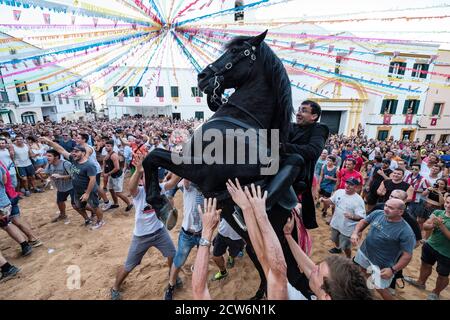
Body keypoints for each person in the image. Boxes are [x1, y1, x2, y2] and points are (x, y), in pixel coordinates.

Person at [110, 153, 176, 300]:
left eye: (151, 176)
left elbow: (172, 183)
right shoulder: (139, 192)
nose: (149, 179)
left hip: (160, 232)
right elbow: (130, 187)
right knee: (129, 265)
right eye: (146, 176)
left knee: (172, 255)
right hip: (141, 236)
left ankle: (172, 277)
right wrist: (139, 170)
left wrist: (180, 167)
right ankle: (115, 287)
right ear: (142, 179)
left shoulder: (159, 187)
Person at [351, 199, 416, 300]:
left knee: (381, 289)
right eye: (386, 205)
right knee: (363, 271)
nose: (386, 209)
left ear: (400, 212)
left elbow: (407, 255)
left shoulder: (406, 232)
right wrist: (356, 232)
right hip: (364, 252)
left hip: (383, 265)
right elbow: (363, 221)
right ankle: (367, 291)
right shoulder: (377, 213)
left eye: (390, 208)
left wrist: (393, 270)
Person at [280, 100, 329, 230]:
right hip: (277, 172)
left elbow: (312, 151)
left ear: (314, 116)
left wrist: (283, 147)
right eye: (299, 110)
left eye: (304, 110)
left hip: (297, 181)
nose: (298, 113)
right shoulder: (291, 126)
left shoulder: (319, 128)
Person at [40, 137, 105, 229]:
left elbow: (92, 180)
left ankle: (100, 221)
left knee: (95, 206)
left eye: (76, 152)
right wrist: (49, 142)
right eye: (73, 151)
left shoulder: (89, 165)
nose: (74, 153)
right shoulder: (73, 159)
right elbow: (61, 149)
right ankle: (88, 218)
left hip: (88, 190)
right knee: (78, 206)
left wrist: (87, 193)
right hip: (77, 189)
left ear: (83, 153)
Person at [164, 179, 204, 300]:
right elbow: (184, 180)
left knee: (202, 261)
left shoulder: (208, 189)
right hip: (187, 234)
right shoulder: (188, 187)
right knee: (179, 261)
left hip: (203, 233)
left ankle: (200, 284)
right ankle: (171, 286)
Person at [405, 194, 450, 300]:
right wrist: (433, 225)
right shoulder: (438, 212)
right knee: (426, 264)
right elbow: (425, 226)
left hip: (447, 253)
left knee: (443, 274)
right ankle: (421, 282)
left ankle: (436, 292)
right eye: (447, 202)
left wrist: (441, 225)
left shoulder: (439, 216)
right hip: (430, 245)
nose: (448, 206)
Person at [320, 178, 366, 258]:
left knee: (346, 246)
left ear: (356, 187)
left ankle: (348, 257)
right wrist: (324, 200)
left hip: (347, 228)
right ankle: (338, 249)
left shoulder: (358, 200)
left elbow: (361, 217)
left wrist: (352, 216)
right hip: (336, 223)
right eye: (347, 183)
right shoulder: (339, 192)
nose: (347, 185)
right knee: (335, 239)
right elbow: (331, 201)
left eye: (351, 184)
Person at [75, 133, 111, 211]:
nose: (75, 139)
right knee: (95, 187)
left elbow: (85, 158)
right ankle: (102, 200)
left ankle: (107, 202)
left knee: (96, 187)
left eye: (78, 138)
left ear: (84, 139)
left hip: (94, 170)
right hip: (89, 170)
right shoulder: (80, 147)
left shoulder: (87, 148)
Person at [37, 149, 74, 223]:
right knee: (60, 202)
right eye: (46, 156)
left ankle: (93, 211)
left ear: (56, 157)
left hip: (72, 187)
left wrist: (60, 176)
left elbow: (74, 176)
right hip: (60, 188)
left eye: (49, 156)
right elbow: (45, 177)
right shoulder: (49, 165)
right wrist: (40, 173)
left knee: (77, 205)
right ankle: (63, 215)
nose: (47, 158)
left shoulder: (66, 164)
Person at [103, 140, 133, 212]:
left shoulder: (114, 155)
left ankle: (129, 203)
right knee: (111, 189)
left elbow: (117, 168)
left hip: (117, 176)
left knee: (118, 193)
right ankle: (116, 203)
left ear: (112, 147)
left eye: (108, 146)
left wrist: (107, 174)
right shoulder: (108, 155)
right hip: (112, 175)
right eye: (105, 146)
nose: (106, 147)